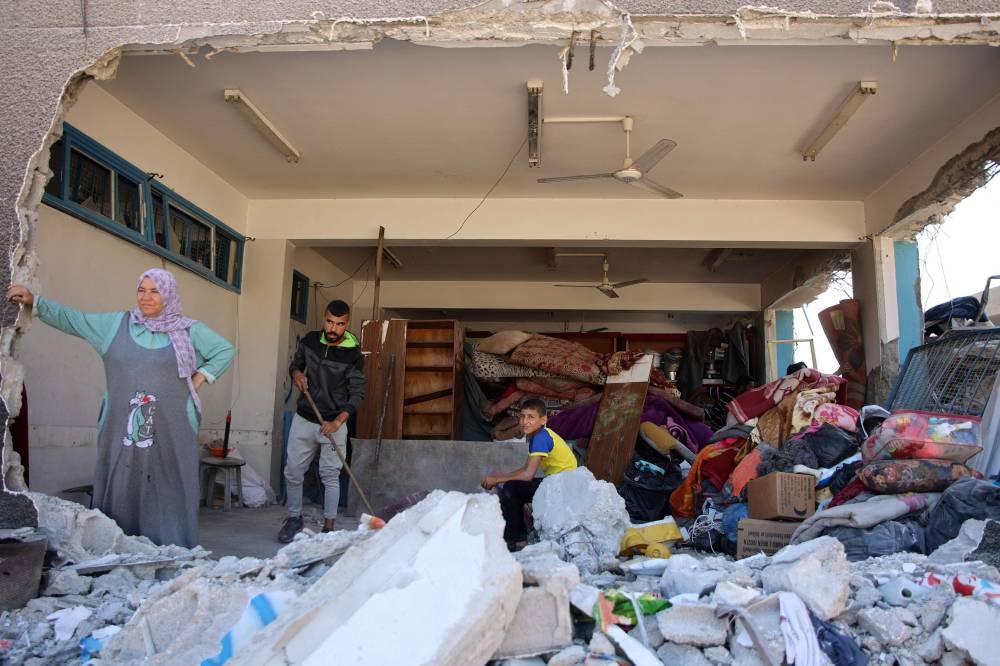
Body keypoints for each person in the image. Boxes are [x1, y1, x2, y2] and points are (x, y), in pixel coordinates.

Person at [6, 269, 234, 548]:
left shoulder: (188, 330)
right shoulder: (116, 325)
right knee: (121, 480)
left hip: (173, 429)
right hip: (120, 426)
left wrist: (199, 377)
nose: (146, 297)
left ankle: (173, 549)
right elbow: (74, 320)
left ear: (169, 294)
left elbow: (225, 350)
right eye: (142, 290)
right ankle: (116, 547)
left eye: (155, 291)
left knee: (169, 485)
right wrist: (35, 302)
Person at [279, 299, 365, 543]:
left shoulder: (354, 355)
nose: (332, 328)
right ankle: (294, 518)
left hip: (334, 422)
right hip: (306, 417)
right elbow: (296, 364)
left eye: (339, 324)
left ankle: (329, 527)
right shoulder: (310, 341)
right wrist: (297, 374)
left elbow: (357, 394)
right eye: (329, 322)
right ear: (324, 319)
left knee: (330, 475)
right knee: (293, 471)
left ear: (347, 324)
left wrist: (337, 422)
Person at [480, 397, 577, 551]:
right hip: (560, 483)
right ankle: (519, 535)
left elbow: (527, 475)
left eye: (531, 417)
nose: (525, 421)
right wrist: (499, 479)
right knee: (513, 485)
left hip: (562, 488)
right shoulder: (540, 435)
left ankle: (517, 539)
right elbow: (526, 468)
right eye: (522, 416)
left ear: (543, 419)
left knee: (512, 488)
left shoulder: (540, 438)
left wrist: (497, 479)